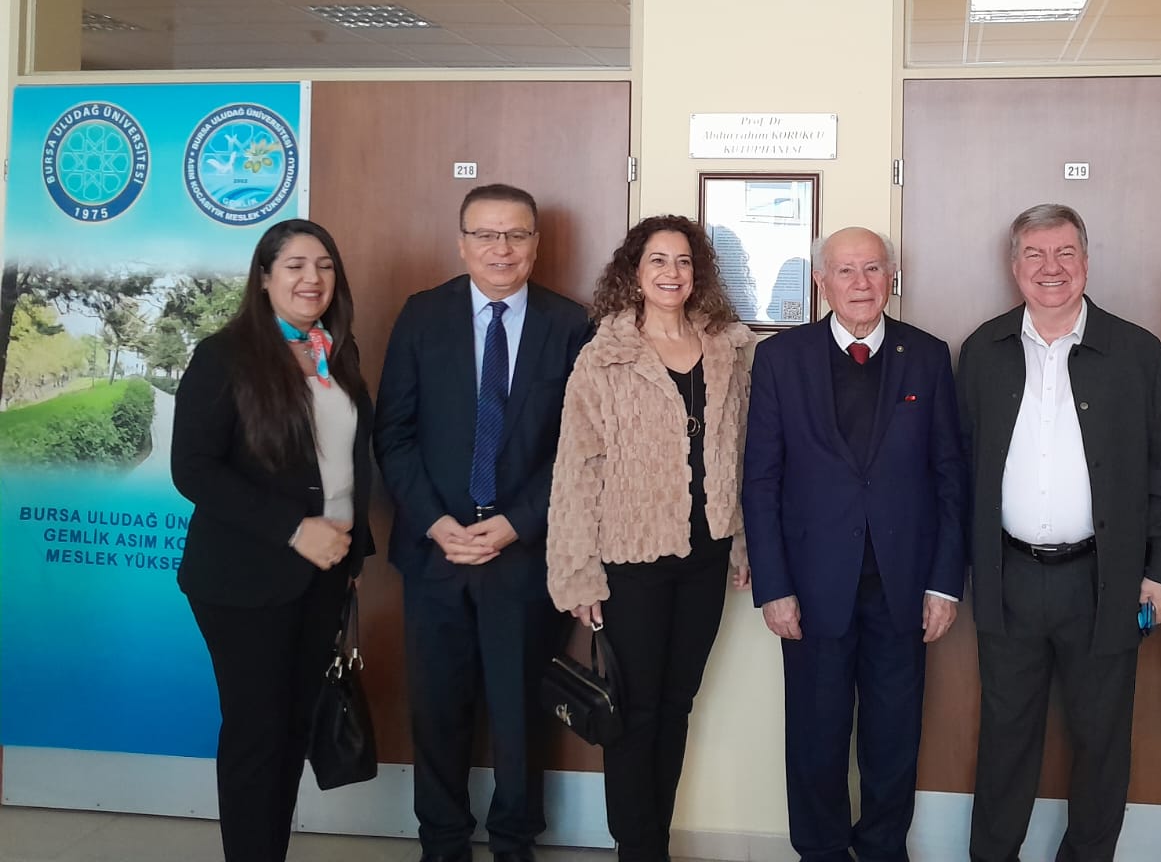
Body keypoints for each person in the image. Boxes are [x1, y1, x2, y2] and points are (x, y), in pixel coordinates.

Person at [959, 202, 1161, 862]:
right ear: (1014, 267)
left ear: (1086, 262)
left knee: (1102, 739)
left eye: (1065, 253)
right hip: (1008, 577)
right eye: (1034, 254)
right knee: (1005, 737)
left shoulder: (1137, 351)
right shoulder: (982, 350)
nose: (1050, 268)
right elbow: (958, 466)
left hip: (1104, 581)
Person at [376, 183, 591, 862]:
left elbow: (580, 448)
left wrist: (517, 523)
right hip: (435, 553)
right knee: (436, 708)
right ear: (462, 243)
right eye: (486, 235)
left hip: (522, 555)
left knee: (519, 713)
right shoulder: (423, 315)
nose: (502, 249)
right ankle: (442, 842)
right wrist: (435, 522)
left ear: (536, 244)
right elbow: (394, 434)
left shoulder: (570, 324)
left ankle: (513, 842)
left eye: (516, 235)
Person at [742, 227, 967, 862]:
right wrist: (774, 586)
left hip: (905, 585)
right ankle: (819, 850)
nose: (861, 283)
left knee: (894, 735)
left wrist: (945, 582)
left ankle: (883, 848)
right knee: (815, 735)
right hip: (811, 586)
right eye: (845, 270)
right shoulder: (781, 358)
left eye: (873, 269)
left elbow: (950, 475)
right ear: (822, 282)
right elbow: (761, 480)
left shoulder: (928, 355)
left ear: (891, 276)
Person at [547, 214, 757, 862]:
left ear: (699, 274)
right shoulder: (604, 355)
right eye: (658, 261)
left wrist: (743, 542)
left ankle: (653, 843)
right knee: (634, 712)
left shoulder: (728, 349)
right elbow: (577, 467)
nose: (672, 272)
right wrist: (577, 573)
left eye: (684, 261)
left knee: (676, 704)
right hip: (629, 560)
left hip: (705, 557)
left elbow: (740, 454)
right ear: (634, 274)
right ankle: (636, 849)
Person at [172, 219, 373, 862]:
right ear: (263, 278)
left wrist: (353, 552)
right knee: (257, 733)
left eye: (325, 265)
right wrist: (294, 529)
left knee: (292, 727)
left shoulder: (335, 352)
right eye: (295, 265)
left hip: (325, 572)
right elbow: (194, 469)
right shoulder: (225, 355)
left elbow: (347, 462)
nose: (312, 278)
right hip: (243, 576)